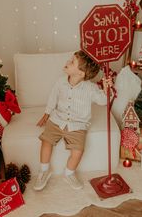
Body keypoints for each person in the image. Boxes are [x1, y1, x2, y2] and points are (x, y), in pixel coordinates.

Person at [33, 50, 110, 191]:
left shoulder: (91, 88)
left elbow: (103, 101)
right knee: (46, 141)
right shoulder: (60, 82)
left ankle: (69, 173)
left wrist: (106, 89)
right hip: (57, 119)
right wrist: (47, 114)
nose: (67, 62)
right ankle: (44, 170)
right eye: (70, 59)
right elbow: (53, 97)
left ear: (81, 73)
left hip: (78, 125)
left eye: (72, 61)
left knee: (78, 151)